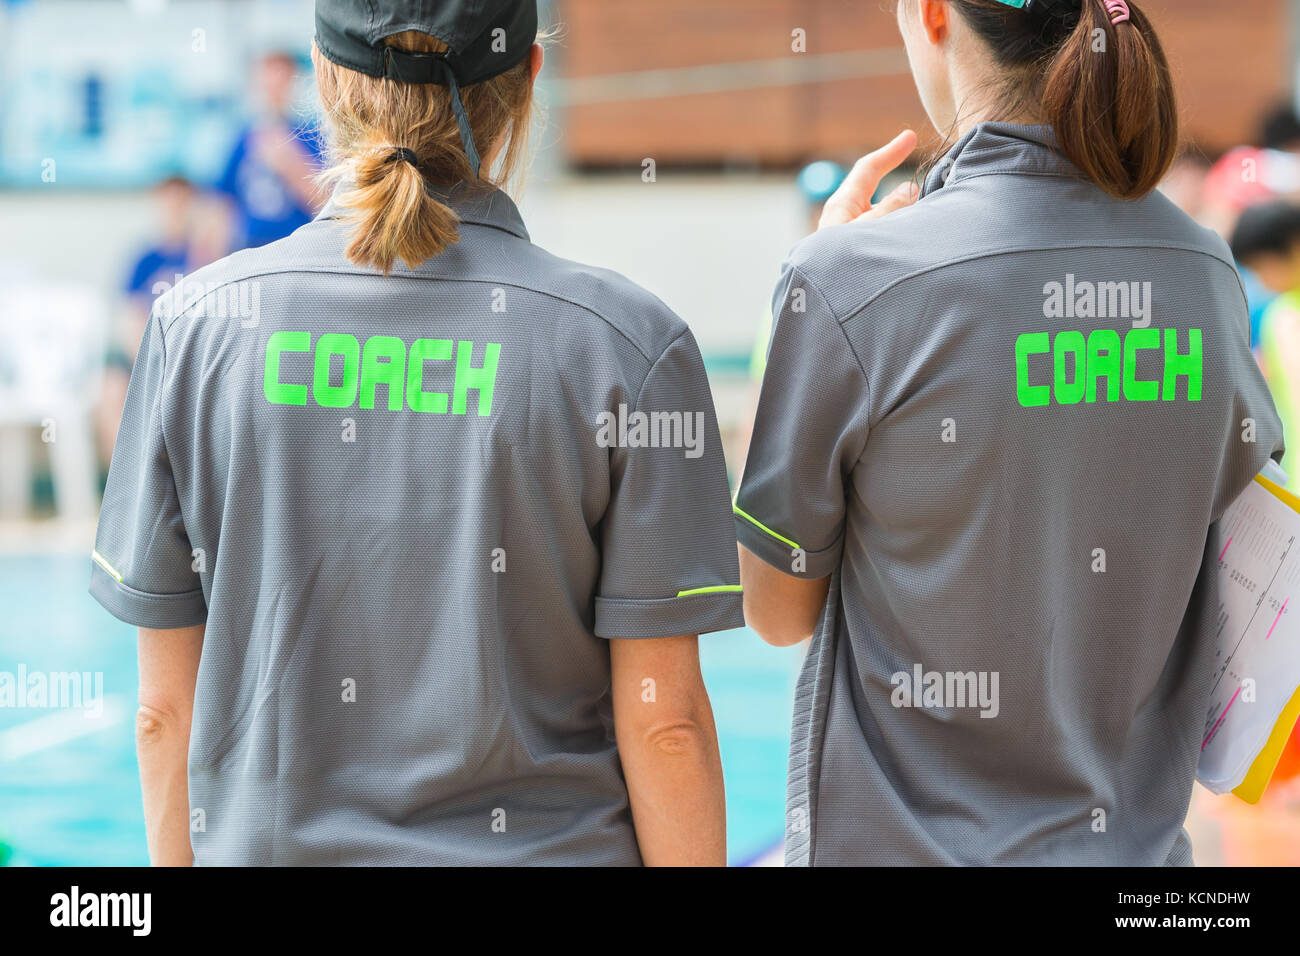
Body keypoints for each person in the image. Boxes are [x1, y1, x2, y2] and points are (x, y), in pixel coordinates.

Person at [90, 0, 741, 866]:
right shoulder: (628, 345)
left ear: (324, 82)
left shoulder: (193, 332)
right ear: (528, 81)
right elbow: (667, 724)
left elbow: (162, 714)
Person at [736, 0, 1284, 866]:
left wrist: (814, 299)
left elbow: (775, 609)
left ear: (930, 15)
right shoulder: (1204, 273)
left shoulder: (853, 280)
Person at [97, 175, 202, 467]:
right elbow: (129, 314)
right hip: (145, 350)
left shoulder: (206, 253)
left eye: (181, 202)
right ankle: (128, 478)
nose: (175, 209)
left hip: (187, 354)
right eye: (168, 202)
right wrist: (147, 359)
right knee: (110, 391)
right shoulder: (144, 258)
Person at [212, 51, 327, 252]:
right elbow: (224, 204)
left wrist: (290, 165)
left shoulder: (310, 136)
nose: (274, 88)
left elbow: (324, 203)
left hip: (296, 246)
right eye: (268, 80)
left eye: (282, 79)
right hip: (250, 248)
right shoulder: (243, 137)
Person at [1231, 201, 1300, 473]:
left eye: (1263, 267)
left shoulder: (1282, 316)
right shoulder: (1279, 313)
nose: (1262, 280)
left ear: (1293, 246)